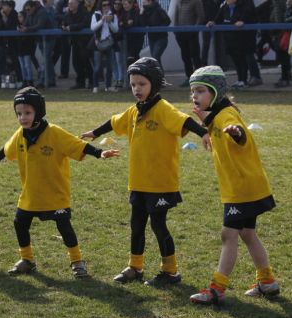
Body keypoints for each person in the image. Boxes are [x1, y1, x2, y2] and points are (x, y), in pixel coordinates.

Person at [81, 57, 207, 286]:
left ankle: (171, 272)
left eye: (142, 84)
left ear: (154, 84)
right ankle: (135, 267)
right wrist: (94, 132)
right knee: (136, 225)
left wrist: (204, 134)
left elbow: (185, 121)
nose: (137, 89)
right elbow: (114, 121)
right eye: (133, 85)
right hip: (138, 181)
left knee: (158, 225)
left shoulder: (163, 109)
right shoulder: (133, 111)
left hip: (160, 183)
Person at [0, 87, 119, 278]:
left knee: (64, 226)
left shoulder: (54, 133)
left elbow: (78, 145)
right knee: (19, 223)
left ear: (39, 112)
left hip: (55, 193)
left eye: (27, 113)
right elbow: (8, 148)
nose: (22, 118)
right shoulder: (21, 133)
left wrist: (99, 153)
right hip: (31, 193)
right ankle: (27, 260)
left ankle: (77, 262)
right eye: (19, 114)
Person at [188, 65, 279, 305]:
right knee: (247, 233)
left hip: (242, 189)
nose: (195, 96)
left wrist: (235, 132)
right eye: (193, 91)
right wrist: (207, 124)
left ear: (216, 93)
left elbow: (239, 136)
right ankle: (267, 281)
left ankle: (217, 288)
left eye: (200, 90)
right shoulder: (217, 115)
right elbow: (216, 125)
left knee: (229, 234)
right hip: (245, 185)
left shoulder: (226, 116)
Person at [207, 0, 255, 89]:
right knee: (236, 60)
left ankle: (243, 81)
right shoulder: (224, 7)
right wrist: (212, 22)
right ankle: (239, 79)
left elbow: (249, 17)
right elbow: (218, 18)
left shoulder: (243, 5)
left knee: (242, 60)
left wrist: (242, 21)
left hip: (241, 38)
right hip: (229, 38)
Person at [21, 0, 57, 88]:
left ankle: (42, 81)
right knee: (47, 60)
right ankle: (51, 80)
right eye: (26, 10)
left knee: (45, 60)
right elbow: (26, 24)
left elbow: (39, 25)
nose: (27, 11)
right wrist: (22, 27)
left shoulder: (42, 12)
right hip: (41, 40)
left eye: (28, 9)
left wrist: (26, 29)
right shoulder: (30, 13)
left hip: (48, 39)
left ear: (33, 7)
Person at [173, 0, 205, 87]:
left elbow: (200, 16)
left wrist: (194, 29)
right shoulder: (178, 2)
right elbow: (176, 17)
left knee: (195, 56)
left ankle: (199, 78)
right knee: (185, 56)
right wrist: (176, 31)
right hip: (181, 34)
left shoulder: (196, 1)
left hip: (192, 34)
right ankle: (189, 78)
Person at [90, 0, 119, 93]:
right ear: (100, 6)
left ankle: (108, 86)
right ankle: (95, 86)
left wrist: (109, 22)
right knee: (97, 66)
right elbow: (93, 28)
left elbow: (116, 30)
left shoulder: (113, 16)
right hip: (98, 43)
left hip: (109, 43)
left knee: (110, 66)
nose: (106, 6)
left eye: (108, 5)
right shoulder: (96, 15)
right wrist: (102, 20)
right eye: (104, 5)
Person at [62, 0, 92, 89]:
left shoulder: (84, 12)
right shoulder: (68, 14)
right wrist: (63, 26)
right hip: (74, 42)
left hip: (84, 42)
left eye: (72, 3)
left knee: (86, 62)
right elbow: (64, 22)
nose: (69, 5)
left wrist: (71, 27)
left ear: (77, 3)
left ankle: (91, 81)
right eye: (69, 3)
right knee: (76, 62)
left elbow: (84, 24)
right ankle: (80, 82)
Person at [139, 0, 171, 68]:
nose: (143, 4)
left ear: (150, 1)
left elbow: (167, 21)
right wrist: (141, 14)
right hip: (152, 38)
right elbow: (143, 24)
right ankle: (159, 75)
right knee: (155, 58)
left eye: (144, 2)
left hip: (161, 38)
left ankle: (159, 75)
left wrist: (159, 29)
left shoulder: (158, 9)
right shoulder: (145, 11)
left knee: (155, 56)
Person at [270, 0, 291, 88]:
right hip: (282, 32)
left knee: (283, 57)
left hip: (280, 33)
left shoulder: (278, 2)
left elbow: (278, 18)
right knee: (285, 57)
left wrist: (276, 31)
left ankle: (285, 78)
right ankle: (286, 76)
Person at [121, 0, 142, 66]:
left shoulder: (136, 12)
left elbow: (133, 24)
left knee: (133, 58)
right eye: (123, 4)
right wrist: (126, 23)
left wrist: (125, 24)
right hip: (127, 39)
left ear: (131, 4)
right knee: (130, 58)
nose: (124, 6)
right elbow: (121, 24)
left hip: (136, 39)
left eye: (126, 4)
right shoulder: (123, 13)